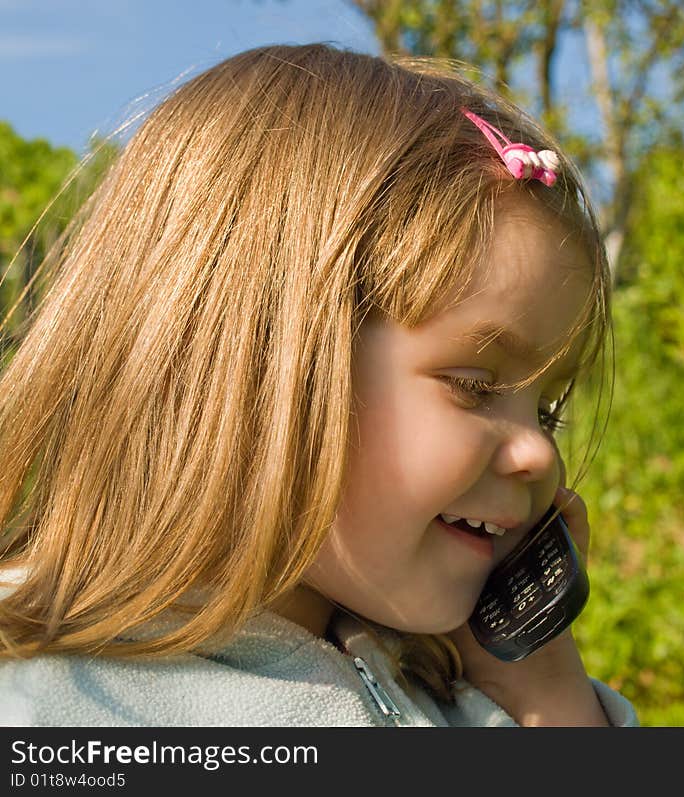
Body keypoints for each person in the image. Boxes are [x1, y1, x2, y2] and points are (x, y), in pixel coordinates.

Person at [0, 43, 637, 727]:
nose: (539, 453)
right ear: (249, 361)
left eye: (547, 410)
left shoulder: (462, 698)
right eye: (475, 385)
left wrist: (541, 686)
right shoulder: (70, 706)